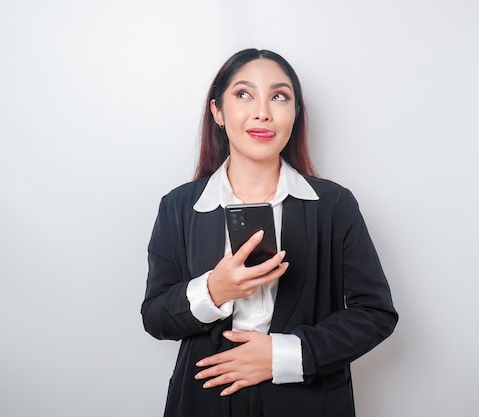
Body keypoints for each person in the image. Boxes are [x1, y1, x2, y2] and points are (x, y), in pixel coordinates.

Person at [141, 48, 398, 417]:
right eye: (244, 94)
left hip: (308, 402)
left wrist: (281, 356)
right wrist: (215, 290)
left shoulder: (333, 205)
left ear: (295, 114)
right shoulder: (179, 206)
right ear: (217, 111)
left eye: (279, 96)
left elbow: (375, 314)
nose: (262, 111)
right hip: (205, 402)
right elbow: (155, 317)